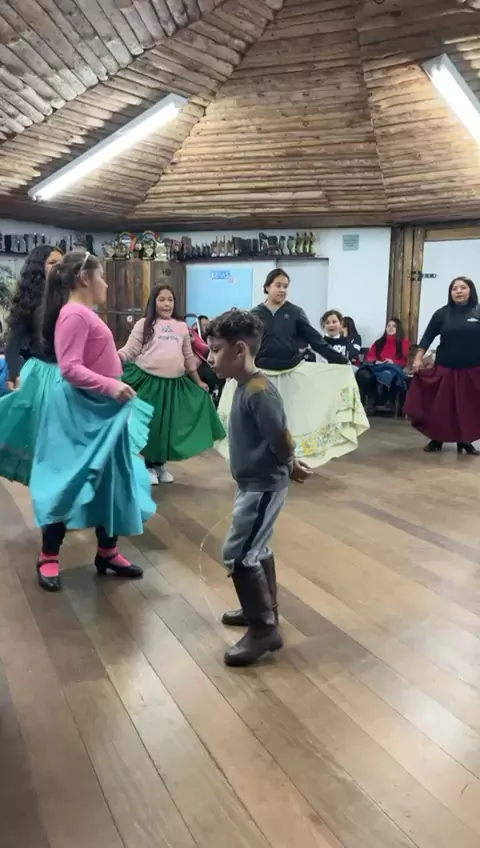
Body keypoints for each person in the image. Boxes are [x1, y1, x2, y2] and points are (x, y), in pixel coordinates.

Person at [30, 250, 155, 592]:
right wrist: (112, 385)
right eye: (101, 276)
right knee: (69, 480)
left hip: (102, 411)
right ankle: (48, 555)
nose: (106, 285)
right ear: (84, 278)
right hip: (81, 411)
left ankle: (107, 551)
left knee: (112, 479)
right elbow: (70, 368)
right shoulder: (74, 314)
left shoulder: (82, 313)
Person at [206, 309, 312, 667]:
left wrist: (290, 464)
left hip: (263, 486)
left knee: (238, 554)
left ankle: (264, 629)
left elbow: (280, 437)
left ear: (240, 350)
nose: (210, 357)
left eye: (216, 350)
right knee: (257, 546)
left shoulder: (259, 392)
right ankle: (264, 611)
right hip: (252, 482)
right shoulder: (242, 386)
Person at [216, 269, 368, 468]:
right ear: (267, 287)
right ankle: (258, 458)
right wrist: (232, 366)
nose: (282, 290)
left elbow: (316, 340)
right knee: (261, 420)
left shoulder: (295, 313)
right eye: (278, 285)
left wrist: (340, 361)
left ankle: (289, 460)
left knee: (290, 420)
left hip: (290, 375)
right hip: (261, 377)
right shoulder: (255, 315)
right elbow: (242, 345)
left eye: (285, 286)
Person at [119, 285, 226, 485]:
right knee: (151, 426)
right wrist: (115, 358)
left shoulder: (181, 327)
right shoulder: (144, 324)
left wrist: (198, 381)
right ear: (153, 302)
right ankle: (148, 466)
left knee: (167, 428)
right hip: (149, 383)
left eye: (170, 299)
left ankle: (160, 464)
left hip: (174, 385)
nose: (167, 304)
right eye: (162, 299)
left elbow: (188, 357)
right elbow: (130, 350)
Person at [0, 244, 64, 484]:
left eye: (62, 263)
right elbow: (13, 345)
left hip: (70, 376)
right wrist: (14, 373)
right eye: (52, 263)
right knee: (42, 439)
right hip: (42, 377)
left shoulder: (72, 297)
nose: (59, 268)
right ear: (39, 268)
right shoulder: (30, 301)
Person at [405, 276, 480, 454]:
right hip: (446, 368)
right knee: (441, 408)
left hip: (472, 369)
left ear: (471, 290)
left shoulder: (478, 312)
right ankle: (437, 439)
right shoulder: (442, 313)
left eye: (463, 287)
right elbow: (427, 337)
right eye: (455, 288)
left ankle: (464, 441)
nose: (459, 291)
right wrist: (418, 358)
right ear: (450, 293)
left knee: (467, 409)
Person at [356, 318, 410, 414]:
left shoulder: (404, 343)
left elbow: (404, 360)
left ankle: (389, 400)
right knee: (363, 374)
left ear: (398, 329)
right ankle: (371, 400)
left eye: (394, 326)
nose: (390, 328)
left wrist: (392, 362)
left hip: (392, 368)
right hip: (377, 367)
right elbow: (370, 357)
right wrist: (376, 361)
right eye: (388, 326)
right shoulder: (379, 342)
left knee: (391, 375)